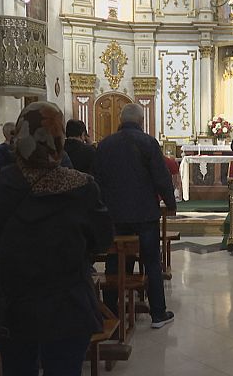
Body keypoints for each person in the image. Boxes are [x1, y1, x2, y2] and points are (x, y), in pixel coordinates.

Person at [0, 101, 113, 376]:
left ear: (19, 138)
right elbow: (103, 239)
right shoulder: (82, 186)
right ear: (58, 140)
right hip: (67, 302)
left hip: (14, 301)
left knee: (18, 369)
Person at [94, 103, 177, 328]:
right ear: (141, 121)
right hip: (144, 213)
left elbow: (97, 180)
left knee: (115, 261)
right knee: (151, 262)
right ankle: (158, 314)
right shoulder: (148, 142)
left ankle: (111, 314)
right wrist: (171, 204)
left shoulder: (105, 144)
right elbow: (161, 177)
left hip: (114, 214)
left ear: (121, 120)